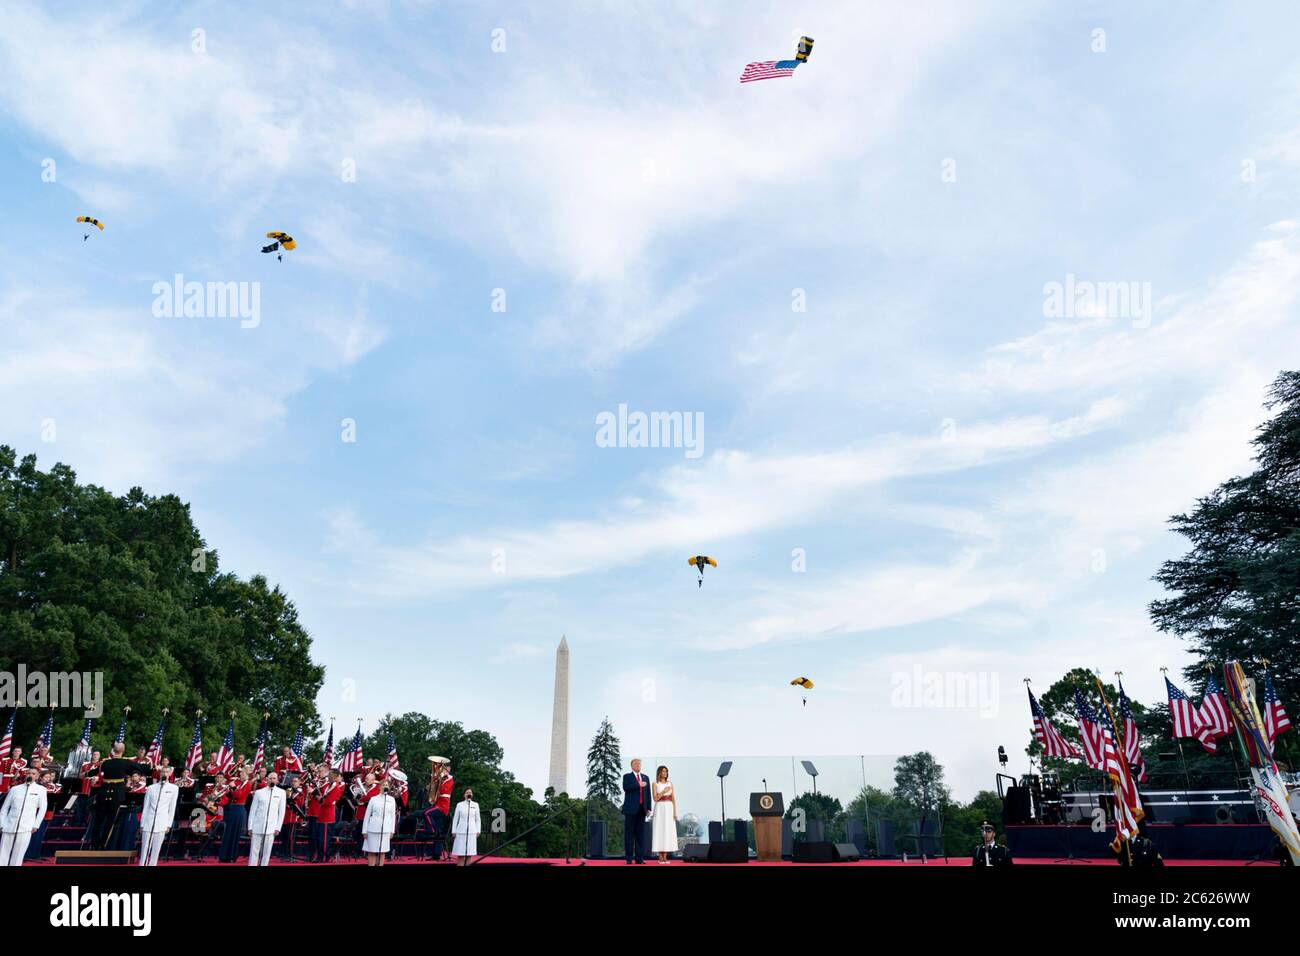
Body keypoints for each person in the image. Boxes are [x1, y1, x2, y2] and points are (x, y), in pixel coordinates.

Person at [1, 767, 46, 866]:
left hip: (27, 826)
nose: (30, 775)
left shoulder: (41, 790)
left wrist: (36, 825)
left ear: (37, 776)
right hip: (9, 824)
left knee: (18, 855)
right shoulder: (15, 789)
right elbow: (4, 808)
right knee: (2, 853)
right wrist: (2, 823)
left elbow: (42, 809)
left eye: (33, 773)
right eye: (28, 773)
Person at [139, 768, 179, 866]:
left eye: (166, 772)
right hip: (149, 821)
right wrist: (142, 823)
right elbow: (146, 807)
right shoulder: (151, 788)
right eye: (162, 772)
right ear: (159, 774)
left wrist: (168, 824)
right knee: (144, 848)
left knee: (156, 849)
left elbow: (172, 808)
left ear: (169, 774)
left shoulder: (174, 788)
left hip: (162, 822)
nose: (164, 773)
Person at [247, 771, 287, 867]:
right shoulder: (259, 792)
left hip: (271, 828)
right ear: (267, 779)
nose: (272, 780)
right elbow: (253, 810)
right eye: (270, 778)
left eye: (274, 778)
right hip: (257, 826)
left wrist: (278, 827)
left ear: (277, 780)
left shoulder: (281, 793)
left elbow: (281, 812)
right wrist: (250, 826)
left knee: (267, 852)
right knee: (254, 851)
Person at [362, 775, 400, 866]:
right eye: (383, 785)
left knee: (382, 852)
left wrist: (392, 831)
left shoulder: (391, 800)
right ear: (380, 787)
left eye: (387, 785)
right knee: (372, 851)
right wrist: (364, 830)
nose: (385, 786)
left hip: (386, 830)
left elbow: (392, 816)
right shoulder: (373, 799)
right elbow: (367, 815)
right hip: (372, 829)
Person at [220, 767, 253, 862]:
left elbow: (239, 795)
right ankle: (224, 855)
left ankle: (231, 856)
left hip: (239, 809)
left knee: (234, 833)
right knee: (228, 832)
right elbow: (232, 794)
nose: (240, 774)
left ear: (246, 774)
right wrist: (228, 790)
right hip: (232, 808)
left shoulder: (248, 784)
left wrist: (233, 787)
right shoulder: (239, 782)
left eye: (242, 773)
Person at [622, 758, 651, 865]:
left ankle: (639, 859)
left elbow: (648, 794)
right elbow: (626, 788)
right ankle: (629, 859)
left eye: (639, 764)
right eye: (636, 764)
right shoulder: (627, 776)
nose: (638, 765)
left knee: (640, 836)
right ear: (632, 766)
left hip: (642, 810)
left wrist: (649, 808)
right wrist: (638, 784)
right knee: (629, 835)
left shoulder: (645, 778)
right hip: (630, 810)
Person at [424, 756, 454, 860]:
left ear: (448, 770)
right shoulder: (440, 778)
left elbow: (444, 790)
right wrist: (431, 786)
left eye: (444, 768)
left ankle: (433, 830)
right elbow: (435, 791)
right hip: (437, 804)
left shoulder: (450, 779)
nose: (442, 770)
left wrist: (438, 781)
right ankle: (436, 855)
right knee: (439, 832)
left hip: (443, 807)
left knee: (426, 813)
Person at [651, 765, 677, 863]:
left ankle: (665, 855)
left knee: (667, 831)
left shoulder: (670, 783)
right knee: (660, 830)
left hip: (669, 808)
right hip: (660, 808)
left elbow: (673, 798)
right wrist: (663, 791)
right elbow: (655, 798)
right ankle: (660, 856)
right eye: (663, 771)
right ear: (659, 773)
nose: (664, 773)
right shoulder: (655, 784)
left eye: (666, 771)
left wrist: (674, 812)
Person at [450, 787, 480, 863]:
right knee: (460, 855)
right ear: (464, 795)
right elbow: (456, 818)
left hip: (472, 832)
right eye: (467, 792)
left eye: (470, 792)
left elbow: (478, 819)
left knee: (469, 855)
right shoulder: (459, 805)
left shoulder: (476, 805)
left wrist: (478, 830)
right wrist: (454, 830)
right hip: (460, 832)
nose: (469, 794)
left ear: (472, 795)